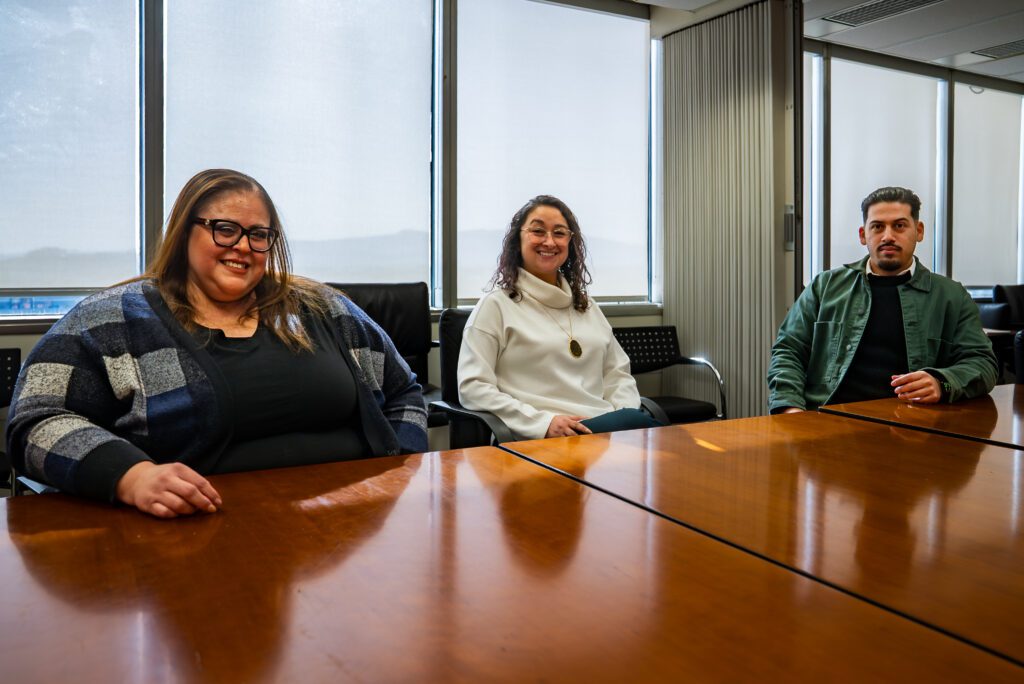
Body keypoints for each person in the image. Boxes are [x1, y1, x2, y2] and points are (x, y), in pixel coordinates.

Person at [5, 168, 427, 518]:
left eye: (259, 235)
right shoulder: (110, 319)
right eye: (225, 230)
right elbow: (35, 422)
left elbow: (403, 389)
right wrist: (130, 476)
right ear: (184, 232)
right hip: (193, 536)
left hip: (349, 532)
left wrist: (400, 470)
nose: (243, 247)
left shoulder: (324, 308)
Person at [767, 186, 997, 413]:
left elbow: (983, 365)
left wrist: (943, 383)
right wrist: (790, 410)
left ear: (919, 231)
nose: (888, 236)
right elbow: (789, 351)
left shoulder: (951, 296)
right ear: (862, 234)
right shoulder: (824, 287)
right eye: (877, 227)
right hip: (827, 418)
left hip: (915, 426)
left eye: (899, 226)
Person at [457, 195, 661, 440]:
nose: (549, 241)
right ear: (517, 240)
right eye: (538, 231)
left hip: (603, 431)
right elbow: (473, 387)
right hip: (540, 437)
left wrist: (625, 414)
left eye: (560, 233)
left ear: (570, 242)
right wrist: (543, 422)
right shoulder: (496, 306)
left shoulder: (587, 307)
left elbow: (617, 374)